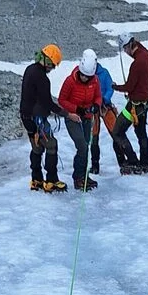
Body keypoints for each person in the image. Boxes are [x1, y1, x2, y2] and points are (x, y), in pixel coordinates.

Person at [19, 44, 68, 193]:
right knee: (51, 145)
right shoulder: (42, 78)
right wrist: (65, 113)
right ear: (48, 61)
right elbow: (47, 102)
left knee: (37, 147)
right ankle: (51, 180)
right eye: (52, 65)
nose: (52, 68)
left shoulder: (29, 70)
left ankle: (36, 179)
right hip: (37, 118)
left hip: (26, 117)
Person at [57, 50, 103, 191]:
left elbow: (98, 97)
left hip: (87, 117)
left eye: (87, 76)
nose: (84, 78)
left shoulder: (94, 81)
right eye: (83, 75)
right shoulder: (70, 81)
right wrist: (77, 109)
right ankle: (78, 177)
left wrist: (96, 105)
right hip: (73, 118)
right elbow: (61, 100)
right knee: (82, 145)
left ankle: (84, 175)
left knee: (86, 146)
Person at [111, 32, 148, 175]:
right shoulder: (147, 55)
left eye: (125, 49)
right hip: (145, 103)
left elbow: (129, 86)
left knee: (117, 131)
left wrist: (115, 86)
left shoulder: (137, 64)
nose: (125, 52)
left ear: (129, 45)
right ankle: (145, 164)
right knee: (141, 133)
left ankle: (133, 162)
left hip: (135, 106)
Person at [82, 49, 119, 175]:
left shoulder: (103, 73)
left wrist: (105, 99)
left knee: (115, 133)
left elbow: (110, 88)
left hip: (104, 106)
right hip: (94, 108)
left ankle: (122, 161)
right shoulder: (89, 74)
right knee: (94, 137)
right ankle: (95, 165)